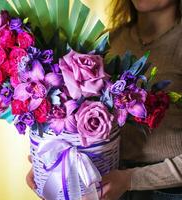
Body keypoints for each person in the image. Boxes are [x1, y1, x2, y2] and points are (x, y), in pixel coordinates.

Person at [26, 0, 182, 199]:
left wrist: (130, 180)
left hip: (167, 192)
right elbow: (75, 116)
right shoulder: (107, 40)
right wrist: (53, 167)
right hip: (105, 183)